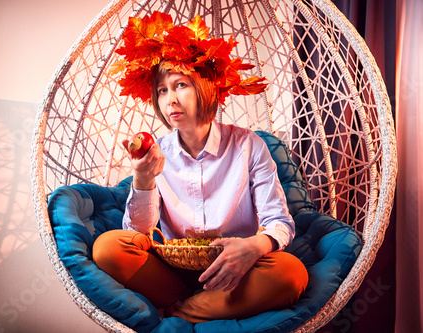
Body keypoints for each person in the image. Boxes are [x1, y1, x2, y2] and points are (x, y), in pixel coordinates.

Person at [93, 11, 308, 323]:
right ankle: (198, 305)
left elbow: (280, 223)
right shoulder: (157, 153)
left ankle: (181, 314)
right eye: (162, 90)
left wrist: (253, 247)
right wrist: (143, 179)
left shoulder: (249, 146)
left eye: (180, 85)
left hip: (235, 271)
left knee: (291, 274)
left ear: (206, 87)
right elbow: (137, 233)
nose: (169, 99)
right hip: (169, 274)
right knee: (107, 249)